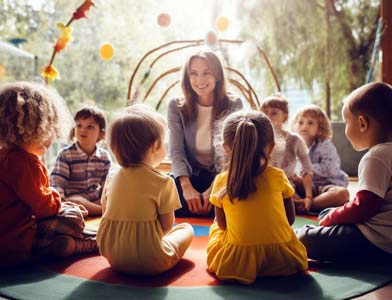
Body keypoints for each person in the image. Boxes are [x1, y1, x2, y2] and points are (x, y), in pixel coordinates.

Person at [296, 82, 392, 263]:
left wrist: (333, 218)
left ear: (362, 123)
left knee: (305, 239)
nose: (345, 129)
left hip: (374, 240)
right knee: (326, 213)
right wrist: (332, 215)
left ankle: (300, 234)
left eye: (346, 122)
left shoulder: (376, 157)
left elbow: (364, 207)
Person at [0, 82, 98, 267]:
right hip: (16, 242)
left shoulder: (4, 155)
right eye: (43, 132)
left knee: (66, 215)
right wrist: (60, 203)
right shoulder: (25, 163)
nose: (50, 139)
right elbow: (44, 208)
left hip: (7, 238)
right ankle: (91, 243)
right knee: (73, 217)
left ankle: (64, 246)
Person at [207, 110, 308, 285]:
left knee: (216, 228)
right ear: (271, 147)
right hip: (283, 260)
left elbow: (223, 226)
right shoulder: (278, 175)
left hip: (236, 264)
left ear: (225, 148)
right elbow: (290, 220)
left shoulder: (222, 180)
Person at [97, 105, 194, 275]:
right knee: (186, 229)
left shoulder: (111, 177)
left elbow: (105, 213)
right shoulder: (163, 181)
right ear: (156, 145)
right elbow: (167, 226)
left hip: (112, 255)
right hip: (152, 260)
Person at [168, 50, 243, 218]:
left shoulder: (234, 104)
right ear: (187, 77)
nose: (199, 79)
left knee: (239, 198)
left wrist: (215, 187)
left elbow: (233, 153)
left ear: (217, 75)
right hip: (188, 176)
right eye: (193, 73)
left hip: (221, 175)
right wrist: (186, 187)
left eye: (206, 73)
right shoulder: (175, 106)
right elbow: (176, 150)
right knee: (165, 198)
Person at [50, 107, 111, 216]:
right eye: (79, 125)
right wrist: (61, 203)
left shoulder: (104, 157)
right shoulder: (66, 155)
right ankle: (103, 211)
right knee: (77, 201)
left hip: (95, 200)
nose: (83, 130)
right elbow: (57, 183)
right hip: (74, 200)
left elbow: (106, 185)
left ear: (101, 134)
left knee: (111, 197)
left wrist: (105, 200)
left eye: (90, 127)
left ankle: (100, 210)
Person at [290, 104, 349, 212]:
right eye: (300, 122)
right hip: (305, 187)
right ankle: (299, 202)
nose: (304, 126)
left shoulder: (325, 145)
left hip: (325, 186)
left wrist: (307, 169)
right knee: (284, 185)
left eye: (310, 123)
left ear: (320, 128)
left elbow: (330, 169)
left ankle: (306, 205)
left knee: (342, 194)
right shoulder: (293, 146)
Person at [260, 96, 314, 212]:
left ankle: (300, 204)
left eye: (274, 113)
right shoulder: (256, 139)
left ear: (285, 116)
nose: (268, 116)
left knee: (339, 195)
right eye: (265, 113)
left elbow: (307, 169)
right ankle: (292, 204)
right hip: (262, 186)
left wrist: (309, 197)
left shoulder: (295, 140)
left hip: (287, 187)